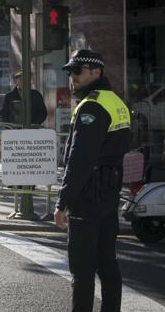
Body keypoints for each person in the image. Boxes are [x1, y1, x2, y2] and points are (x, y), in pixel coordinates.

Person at [54, 50, 131, 312]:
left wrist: (62, 202)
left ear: (96, 73)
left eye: (77, 72)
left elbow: (80, 160)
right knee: (107, 262)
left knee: (82, 269)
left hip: (87, 196)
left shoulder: (91, 107)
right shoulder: (117, 103)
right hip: (109, 193)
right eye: (70, 72)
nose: (72, 78)